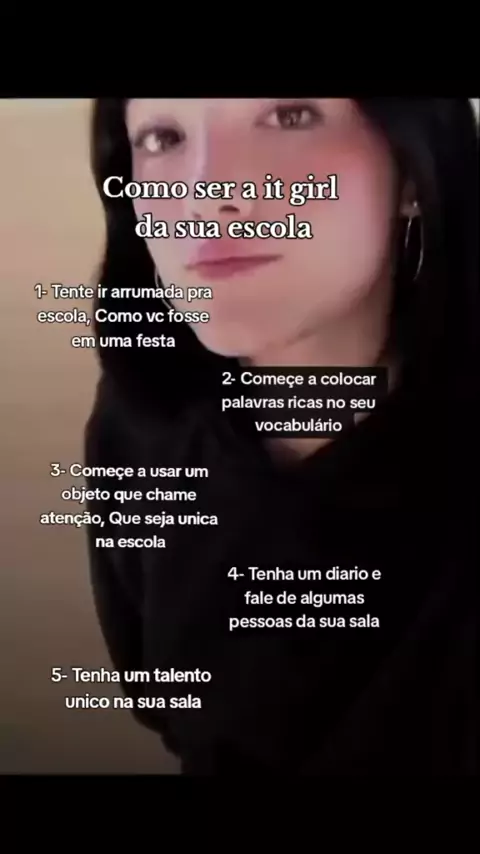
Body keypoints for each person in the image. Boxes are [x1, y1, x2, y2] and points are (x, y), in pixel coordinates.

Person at [85, 98, 478, 775]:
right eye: (164, 137)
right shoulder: (142, 424)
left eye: (291, 116)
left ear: (413, 172)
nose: (203, 196)